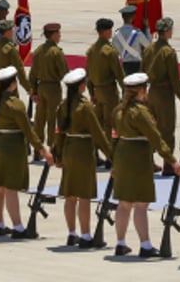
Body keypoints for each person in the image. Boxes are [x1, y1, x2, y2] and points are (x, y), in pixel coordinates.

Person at [111, 72, 180, 258]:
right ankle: (146, 244)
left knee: (124, 203)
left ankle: (120, 243)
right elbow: (156, 138)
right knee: (141, 204)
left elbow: (114, 138)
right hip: (138, 157)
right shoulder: (140, 112)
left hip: (122, 155)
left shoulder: (118, 110)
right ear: (142, 90)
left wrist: (114, 163)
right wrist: (172, 160)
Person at [0, 65, 52, 237]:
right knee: (11, 188)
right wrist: (42, 149)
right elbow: (28, 132)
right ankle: (18, 227)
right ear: (13, 84)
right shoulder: (16, 105)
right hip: (13, 147)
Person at [53, 67, 112, 248]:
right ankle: (86, 235)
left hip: (69, 150)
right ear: (81, 87)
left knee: (70, 195)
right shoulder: (85, 106)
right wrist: (112, 156)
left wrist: (58, 155)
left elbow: (58, 133)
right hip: (83, 151)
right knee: (84, 195)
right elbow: (98, 134)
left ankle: (72, 234)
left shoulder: (63, 105)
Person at [142, 16, 180, 166]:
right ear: (167, 31)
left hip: (151, 93)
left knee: (151, 129)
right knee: (167, 130)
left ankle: (148, 160)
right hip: (164, 94)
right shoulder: (168, 52)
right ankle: (168, 164)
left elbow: (142, 72)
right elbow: (175, 79)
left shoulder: (149, 49)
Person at [86, 17, 124, 150]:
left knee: (99, 123)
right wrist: (126, 91)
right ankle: (110, 152)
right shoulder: (109, 51)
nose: (111, 32)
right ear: (105, 31)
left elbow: (88, 74)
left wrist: (91, 93)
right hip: (109, 92)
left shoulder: (91, 50)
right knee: (110, 124)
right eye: (109, 30)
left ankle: (95, 151)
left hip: (97, 91)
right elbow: (119, 74)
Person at [28, 21, 66, 150]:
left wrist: (33, 91)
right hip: (53, 88)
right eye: (58, 33)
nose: (60, 35)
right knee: (53, 118)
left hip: (41, 87)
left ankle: (38, 148)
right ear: (53, 35)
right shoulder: (56, 52)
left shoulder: (39, 51)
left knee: (39, 119)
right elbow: (64, 73)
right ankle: (52, 146)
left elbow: (32, 73)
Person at [111, 5, 151, 75]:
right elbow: (149, 45)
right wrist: (147, 28)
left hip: (125, 65)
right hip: (138, 65)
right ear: (133, 17)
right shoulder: (137, 33)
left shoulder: (117, 34)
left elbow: (114, 51)